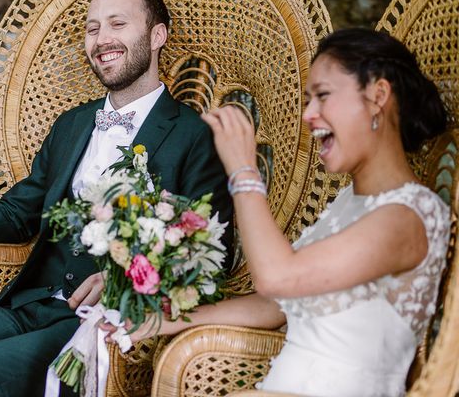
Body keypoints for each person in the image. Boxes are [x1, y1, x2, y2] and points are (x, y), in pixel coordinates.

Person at [0, 0, 233, 397]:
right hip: (30, 302)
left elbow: (210, 257)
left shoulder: (194, 136)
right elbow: (15, 211)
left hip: (103, 323)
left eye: (118, 24)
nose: (101, 39)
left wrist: (125, 281)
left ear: (157, 36)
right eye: (92, 27)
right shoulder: (72, 124)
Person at [110, 28, 450, 397]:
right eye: (307, 100)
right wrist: (167, 318)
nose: (309, 114)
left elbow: (276, 278)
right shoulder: (349, 202)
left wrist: (243, 171)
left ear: (377, 96)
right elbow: (278, 304)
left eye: (323, 96)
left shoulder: (407, 216)